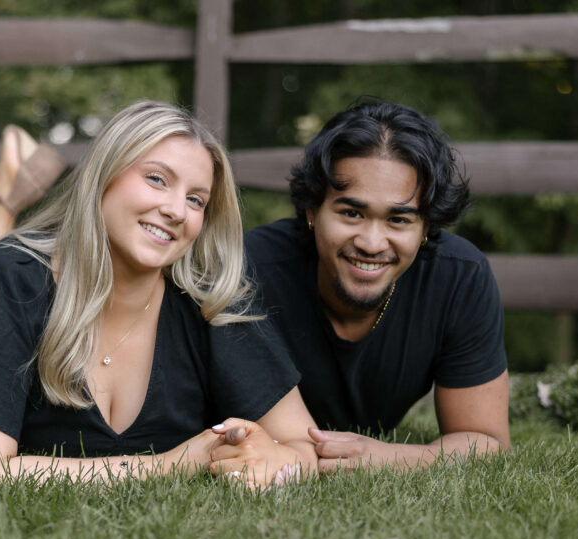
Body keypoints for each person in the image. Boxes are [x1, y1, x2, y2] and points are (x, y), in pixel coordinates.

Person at [0, 100, 319, 483]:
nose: (176, 210)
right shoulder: (5, 280)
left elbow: (305, 446)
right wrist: (169, 465)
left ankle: (0, 194)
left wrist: (277, 459)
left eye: (196, 199)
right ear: (104, 176)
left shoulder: (214, 304)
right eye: (156, 179)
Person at [211, 100, 509, 476]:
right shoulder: (248, 269)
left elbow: (486, 441)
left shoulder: (459, 278)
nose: (371, 242)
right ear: (312, 212)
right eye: (352, 213)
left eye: (398, 219)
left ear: (426, 229)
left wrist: (386, 457)